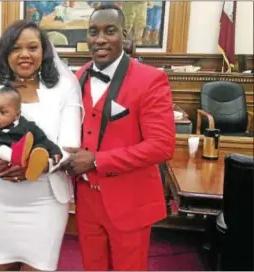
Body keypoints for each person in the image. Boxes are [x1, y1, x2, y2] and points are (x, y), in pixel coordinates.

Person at [62, 4, 176, 271]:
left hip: (129, 201)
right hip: (87, 201)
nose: (99, 39)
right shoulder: (78, 77)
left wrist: (97, 161)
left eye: (109, 31)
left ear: (124, 36)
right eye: (93, 32)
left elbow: (161, 146)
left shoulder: (151, 79)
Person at [0, 20, 82, 271]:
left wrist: (38, 167)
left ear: (44, 51)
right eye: (16, 48)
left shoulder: (65, 86)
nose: (24, 55)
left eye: (32, 47)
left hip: (46, 201)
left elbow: (70, 144)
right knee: (0, 266)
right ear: (6, 52)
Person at [0, 85, 63, 181]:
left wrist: (55, 152)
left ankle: (34, 166)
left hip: (27, 159)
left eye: (3, 112)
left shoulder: (28, 126)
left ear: (17, 114)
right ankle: (15, 156)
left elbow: (44, 140)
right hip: (4, 164)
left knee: (40, 146)